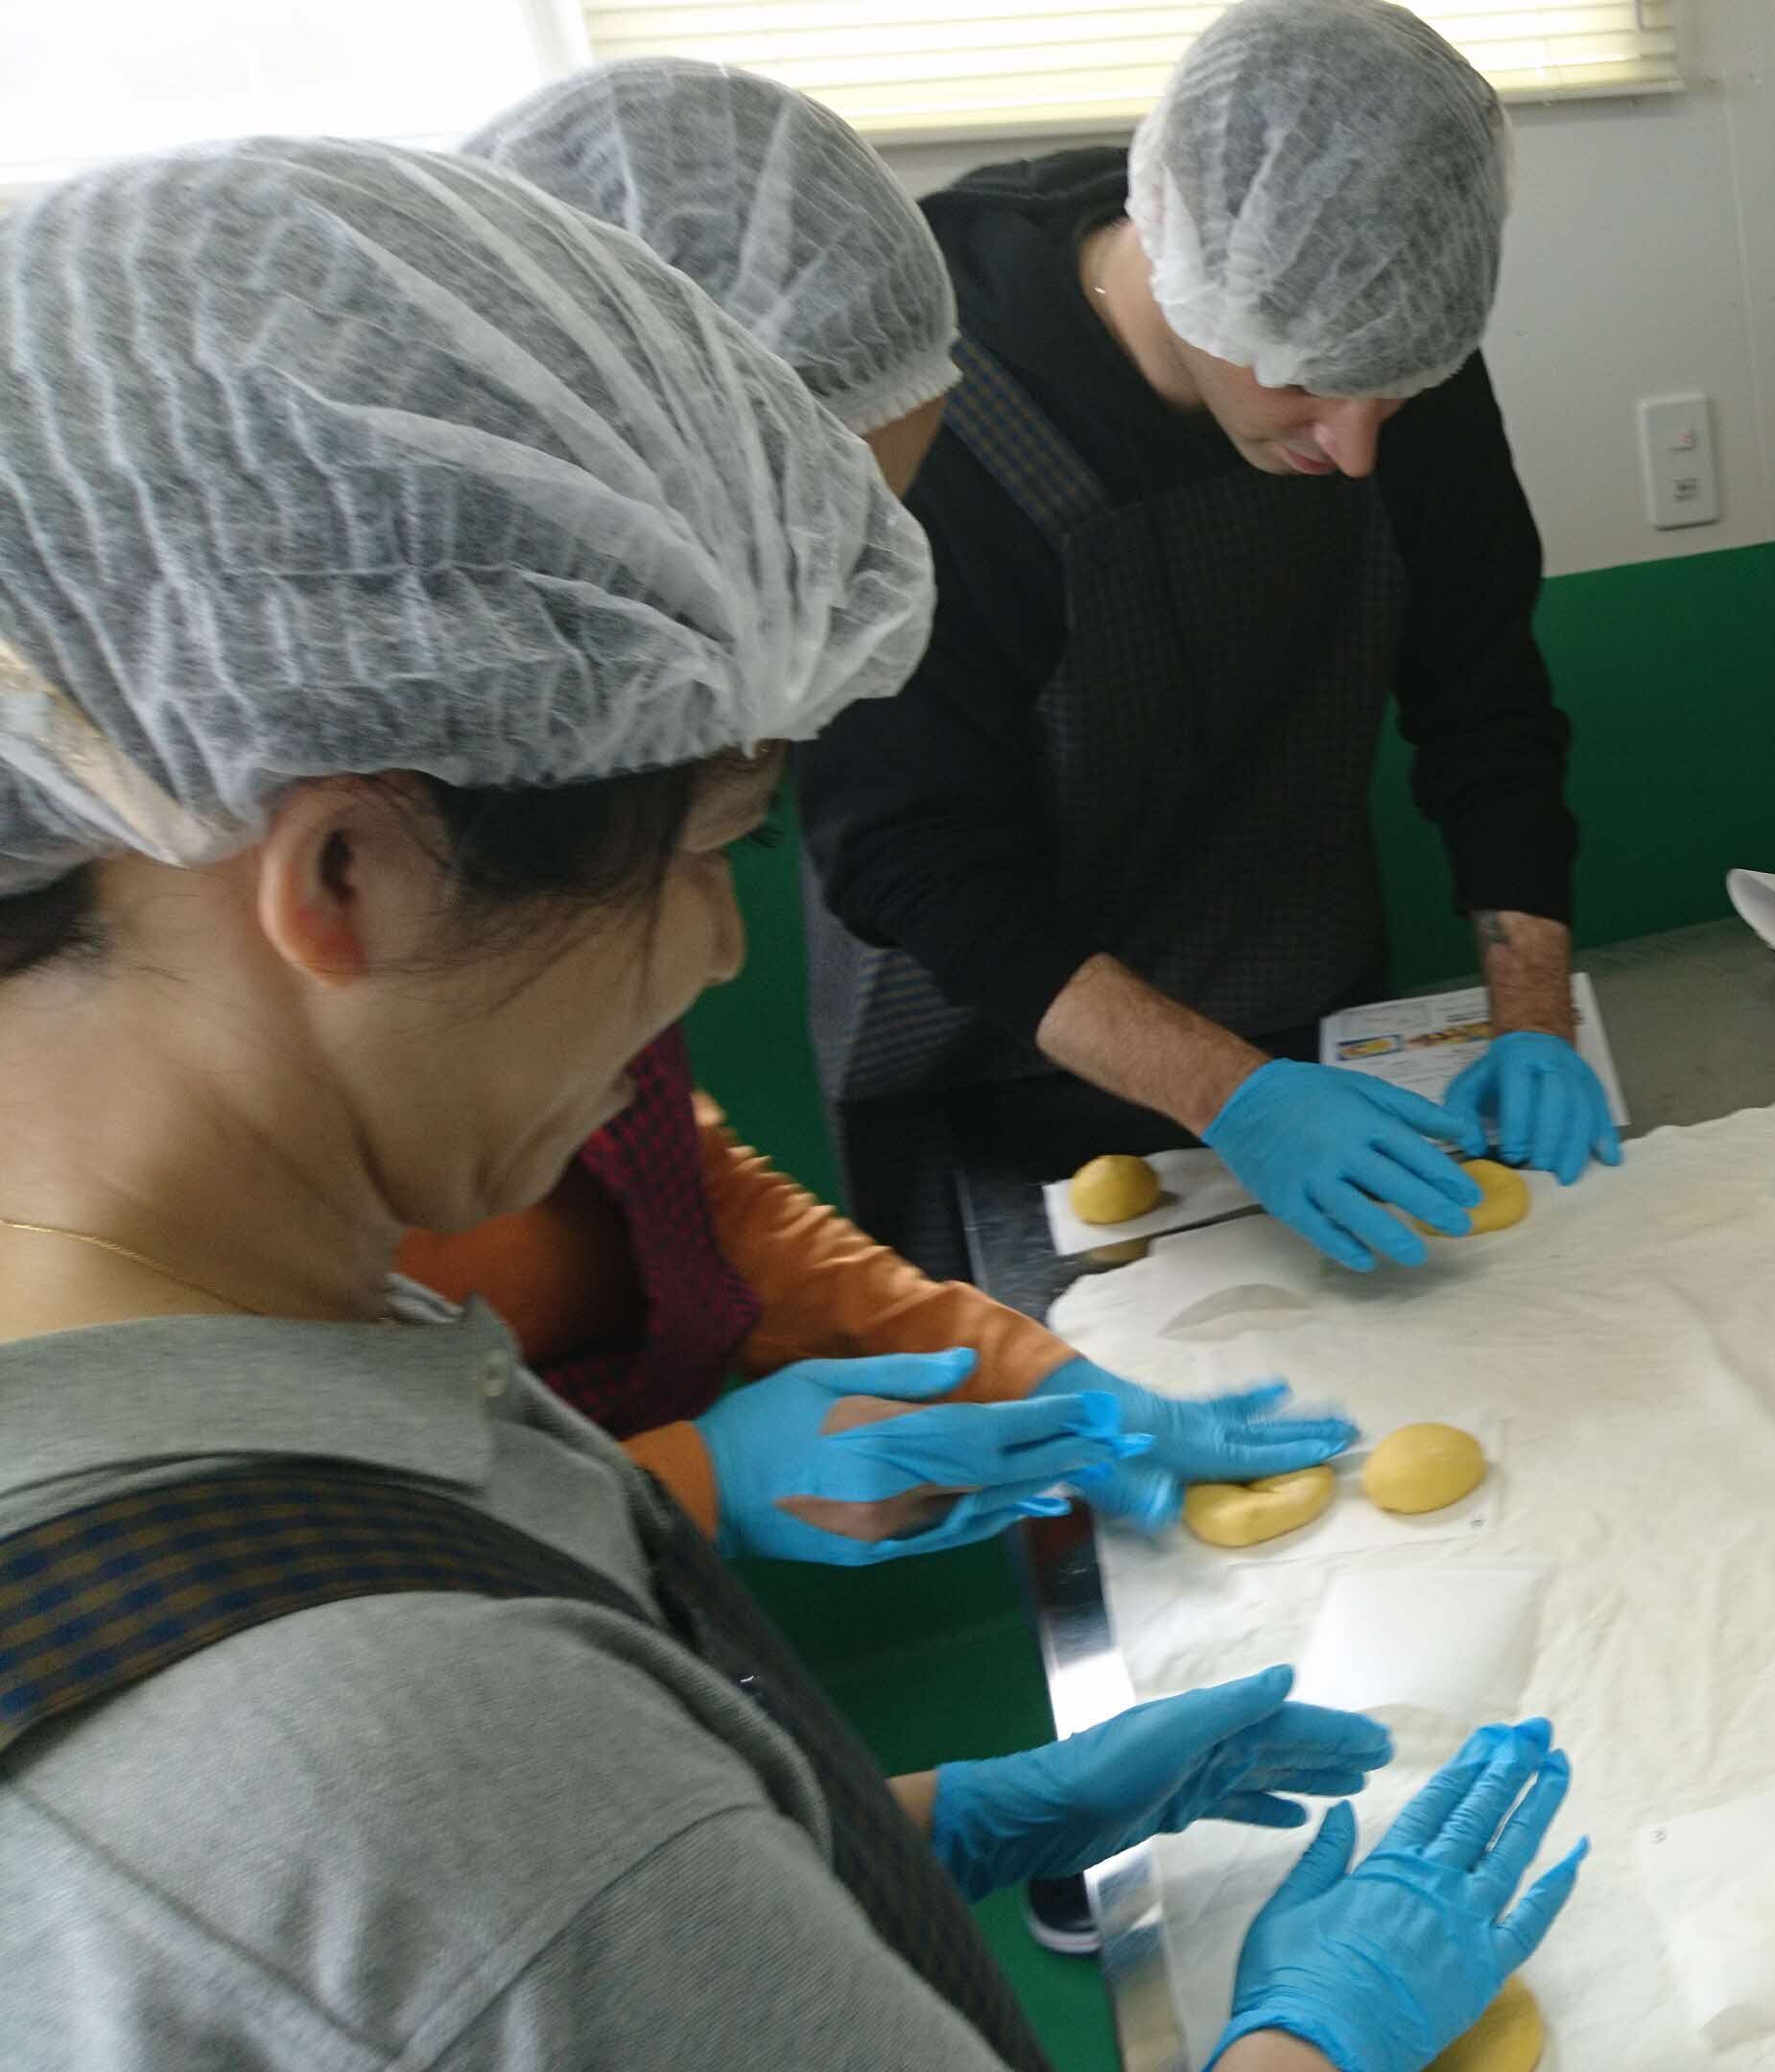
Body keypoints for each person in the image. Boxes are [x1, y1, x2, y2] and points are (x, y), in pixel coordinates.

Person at [0, 137, 1578, 2070]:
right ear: (349, 879)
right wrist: (1306, 2047)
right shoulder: (414, 1758)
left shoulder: (277, 1350)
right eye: (721, 853)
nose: (726, 960)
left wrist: (923, 1826)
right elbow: (528, 1898)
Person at [436, 56, 1350, 1565]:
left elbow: (672, 1172)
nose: (724, 943)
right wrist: (678, 1489)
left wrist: (1038, 1374)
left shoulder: (520, 857)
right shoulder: (190, 1160)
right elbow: (319, 1591)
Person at [800, 0, 1610, 1283]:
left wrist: (1534, 1015)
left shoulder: (1394, 344)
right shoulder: (936, 414)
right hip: (1000, 1058)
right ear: (1182, 267)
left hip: (1295, 1002)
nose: (1353, 447)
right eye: (1303, 383)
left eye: (1389, 392)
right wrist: (1227, 1096)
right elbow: (911, 852)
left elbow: (1485, 702)